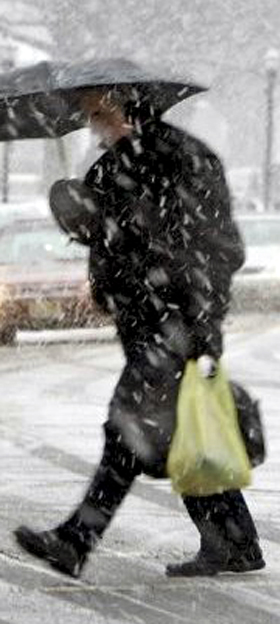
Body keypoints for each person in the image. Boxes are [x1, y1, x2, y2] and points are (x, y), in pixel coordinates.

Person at [13, 86, 264, 577]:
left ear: (130, 108)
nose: (93, 124)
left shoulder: (185, 160)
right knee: (178, 433)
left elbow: (220, 249)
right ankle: (235, 543)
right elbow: (105, 234)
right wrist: (79, 216)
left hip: (175, 325)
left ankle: (76, 539)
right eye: (89, 116)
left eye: (99, 113)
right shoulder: (112, 167)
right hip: (145, 323)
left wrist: (197, 319)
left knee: (125, 430)